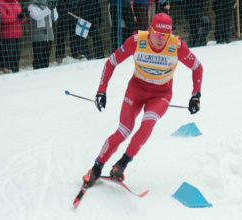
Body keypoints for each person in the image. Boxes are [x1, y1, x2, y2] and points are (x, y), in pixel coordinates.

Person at [81, 13, 203, 188]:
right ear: (151, 30)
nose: (161, 40)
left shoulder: (176, 45)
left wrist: (195, 95)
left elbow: (197, 67)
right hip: (136, 91)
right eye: (158, 35)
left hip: (161, 95)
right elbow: (111, 63)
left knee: (148, 124)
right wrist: (101, 91)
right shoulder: (137, 41)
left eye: (166, 36)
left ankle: (122, 164)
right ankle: (96, 168)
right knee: (124, 130)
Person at [0, 0, 26, 73]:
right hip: (6, 35)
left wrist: (23, 17)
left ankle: (16, 73)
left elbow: (21, 18)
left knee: (16, 57)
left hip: (17, 34)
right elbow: (3, 18)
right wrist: (17, 17)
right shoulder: (0, 2)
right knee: (8, 59)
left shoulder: (16, 2)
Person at [28, 0, 58, 69]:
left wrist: (53, 8)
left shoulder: (49, 3)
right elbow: (37, 17)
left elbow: (55, 18)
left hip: (49, 36)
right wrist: (48, 9)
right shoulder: (32, 5)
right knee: (38, 59)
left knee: (46, 59)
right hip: (38, 37)